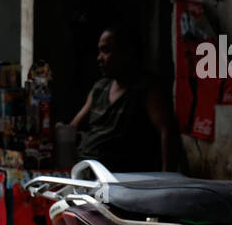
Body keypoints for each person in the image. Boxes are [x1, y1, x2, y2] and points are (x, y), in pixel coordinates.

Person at [68, 25, 176, 172]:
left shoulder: (146, 89)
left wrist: (166, 177)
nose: (99, 58)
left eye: (106, 51)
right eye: (99, 51)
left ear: (127, 53)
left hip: (117, 178)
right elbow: (72, 128)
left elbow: (166, 131)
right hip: (84, 169)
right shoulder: (100, 88)